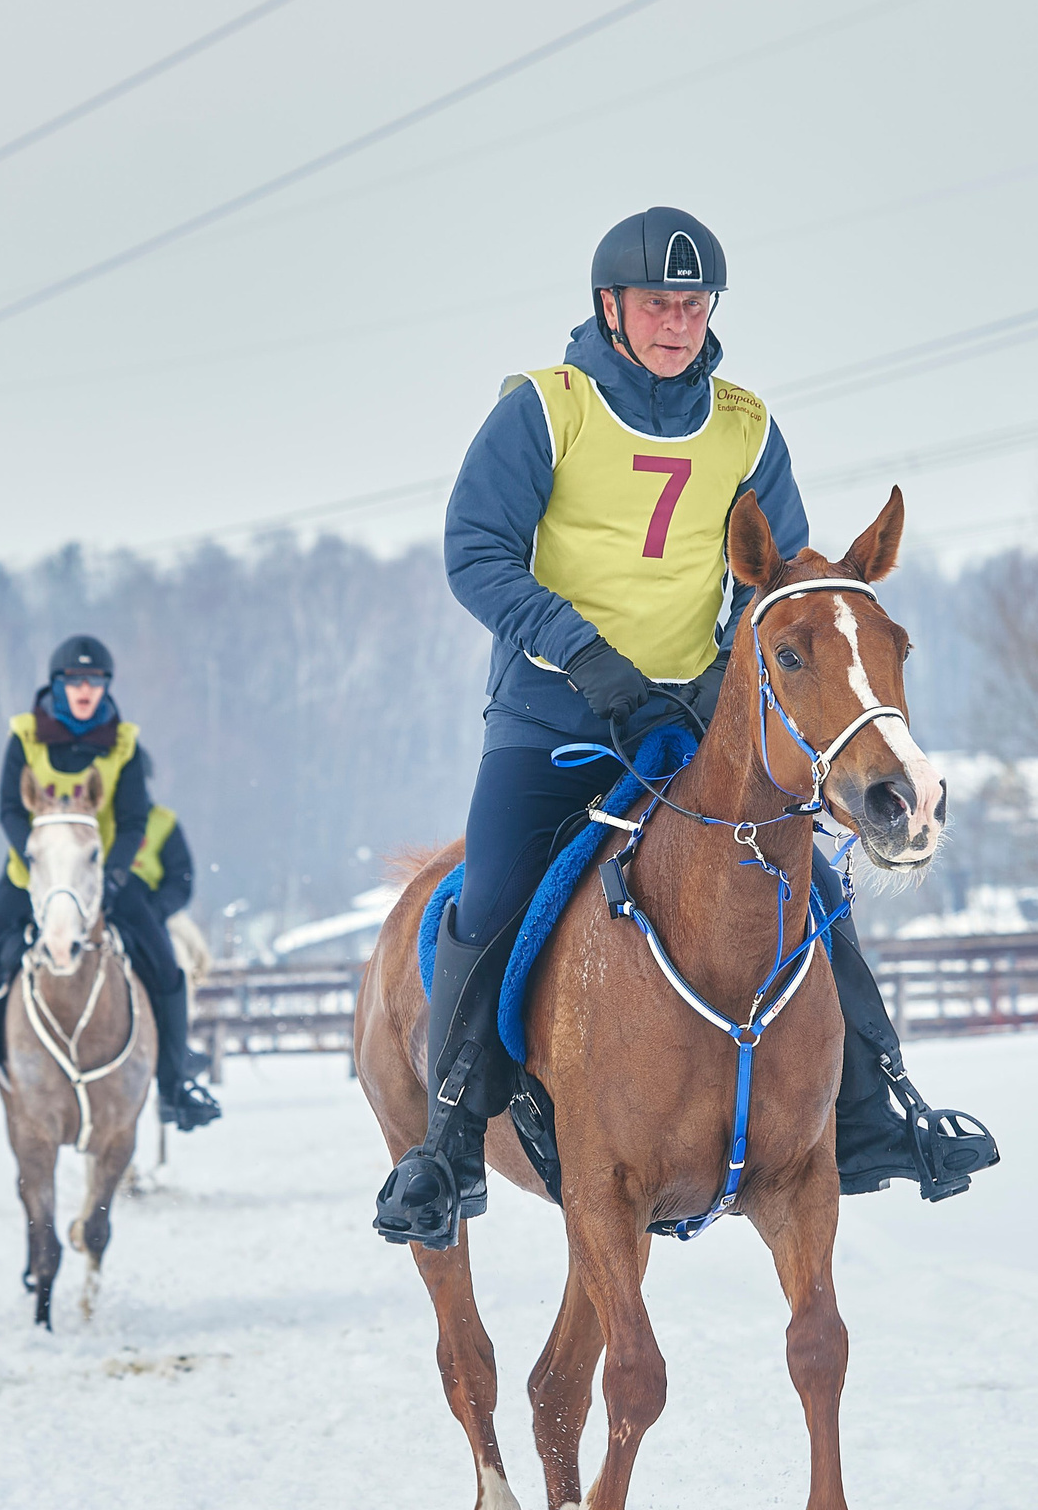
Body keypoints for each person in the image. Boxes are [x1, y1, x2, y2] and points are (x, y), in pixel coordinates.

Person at [372, 206, 948, 1249]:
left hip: (687, 726)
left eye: (692, 305)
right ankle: (449, 1145)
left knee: (807, 886)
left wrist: (724, 692)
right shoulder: (546, 412)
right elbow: (475, 551)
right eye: (655, 305)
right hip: (548, 718)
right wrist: (585, 657)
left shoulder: (745, 425)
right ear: (610, 308)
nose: (676, 323)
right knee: (493, 895)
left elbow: (773, 594)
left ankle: (871, 1112)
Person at [0, 634, 223, 1146]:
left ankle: (176, 1086)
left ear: (105, 687)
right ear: (57, 685)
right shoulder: (26, 737)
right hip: (31, 874)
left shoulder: (123, 743)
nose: (85, 689)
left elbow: (133, 817)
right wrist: (35, 862)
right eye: (75, 681)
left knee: (166, 969)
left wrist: (115, 875)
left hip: (101, 878)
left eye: (94, 681)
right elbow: (9, 810)